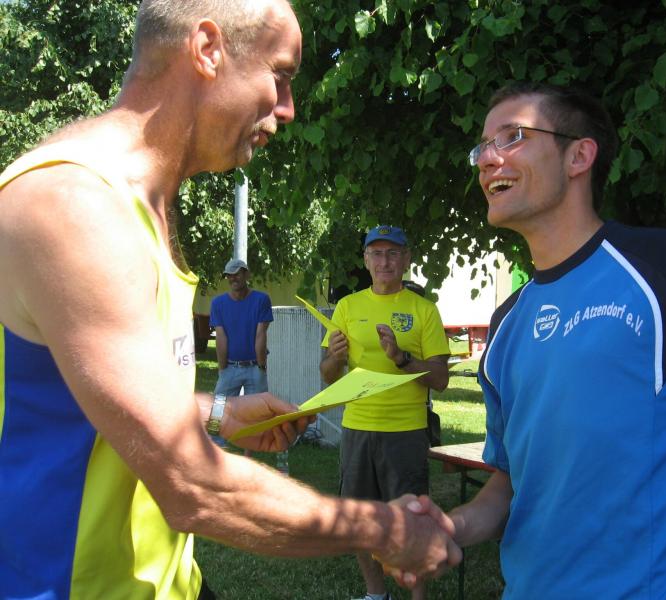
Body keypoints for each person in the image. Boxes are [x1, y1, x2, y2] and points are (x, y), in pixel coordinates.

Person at [0, 2, 460, 598]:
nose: (288, 109)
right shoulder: (75, 207)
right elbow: (191, 484)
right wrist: (385, 529)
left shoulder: (139, 204)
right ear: (208, 49)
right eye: (281, 74)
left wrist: (217, 412)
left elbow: (96, 401)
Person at [420, 82, 666, 598]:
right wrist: (452, 528)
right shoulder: (507, 323)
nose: (487, 159)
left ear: (579, 156)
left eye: (512, 137)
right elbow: (511, 484)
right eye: (483, 146)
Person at [320, 225, 451, 600]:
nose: (385, 261)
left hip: (406, 431)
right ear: (366, 260)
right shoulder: (347, 307)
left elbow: (440, 379)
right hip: (357, 428)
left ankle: (417, 596)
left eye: (393, 253)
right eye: (376, 253)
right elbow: (327, 374)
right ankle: (376, 594)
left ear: (406, 259)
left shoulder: (423, 310)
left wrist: (401, 358)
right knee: (361, 518)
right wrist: (336, 358)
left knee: (411, 521)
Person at [212, 258, 273, 397]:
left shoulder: (261, 300)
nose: (233, 278)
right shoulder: (217, 303)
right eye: (229, 275)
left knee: (258, 408)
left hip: (255, 367)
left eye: (236, 274)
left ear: (247, 274)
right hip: (229, 367)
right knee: (218, 407)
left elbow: (260, 334)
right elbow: (221, 338)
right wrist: (222, 369)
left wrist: (261, 366)